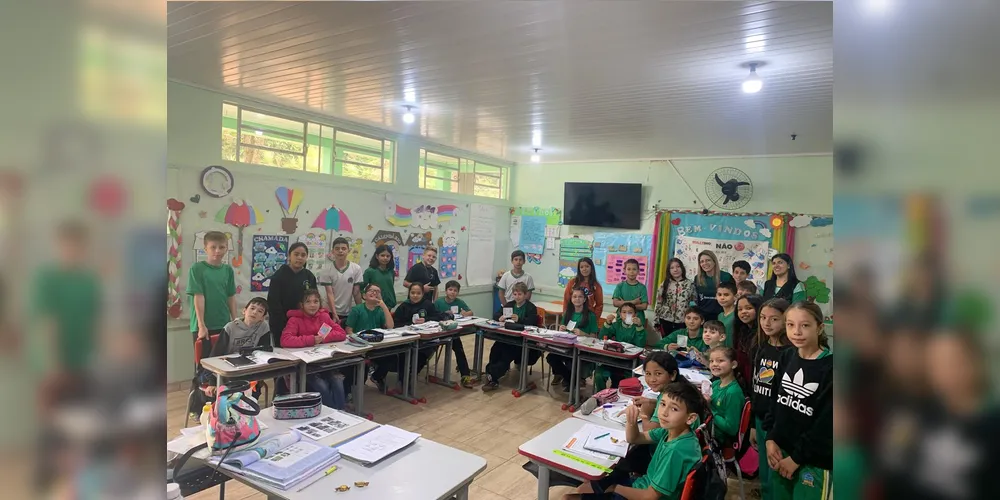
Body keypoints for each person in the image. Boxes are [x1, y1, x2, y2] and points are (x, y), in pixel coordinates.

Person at [567, 382, 704, 499]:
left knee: (569, 497)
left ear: (690, 418)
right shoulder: (672, 431)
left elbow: (650, 497)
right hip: (643, 484)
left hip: (644, 493)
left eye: (674, 408)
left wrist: (614, 488)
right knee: (589, 484)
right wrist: (631, 421)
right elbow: (636, 438)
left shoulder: (676, 450)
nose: (664, 412)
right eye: (662, 404)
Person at [762, 302, 832, 500]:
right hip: (782, 452)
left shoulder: (830, 368)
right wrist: (770, 437)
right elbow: (775, 401)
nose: (797, 332)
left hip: (812, 461)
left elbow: (826, 425)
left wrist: (796, 459)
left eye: (805, 325)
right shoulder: (787, 356)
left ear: (819, 328)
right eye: (791, 325)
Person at [189, 298, 271, 419]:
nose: (254, 312)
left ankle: (244, 413)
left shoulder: (263, 327)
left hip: (247, 367)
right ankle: (216, 412)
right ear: (244, 311)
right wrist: (212, 382)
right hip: (224, 367)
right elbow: (215, 356)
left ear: (263, 317)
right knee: (211, 383)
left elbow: (265, 349)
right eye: (252, 308)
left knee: (252, 386)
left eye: (260, 311)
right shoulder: (231, 327)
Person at [280, 289, 350, 410]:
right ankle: (333, 414)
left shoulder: (324, 316)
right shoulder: (294, 319)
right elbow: (285, 340)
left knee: (338, 382)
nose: (312, 305)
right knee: (321, 386)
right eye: (308, 302)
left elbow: (341, 333)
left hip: (324, 363)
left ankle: (340, 413)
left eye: (316, 301)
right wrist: (311, 340)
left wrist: (323, 338)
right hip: (306, 367)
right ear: (302, 305)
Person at [750, 298, 791, 500]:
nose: (767, 323)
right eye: (763, 318)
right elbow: (755, 387)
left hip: (777, 422)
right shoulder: (762, 347)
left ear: (786, 321)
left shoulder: (790, 353)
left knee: (776, 470)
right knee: (765, 469)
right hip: (759, 417)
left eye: (774, 319)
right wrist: (751, 424)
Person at [377, 283, 443, 390]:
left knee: (423, 354)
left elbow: (439, 316)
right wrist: (409, 324)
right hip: (406, 339)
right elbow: (395, 324)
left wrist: (425, 320)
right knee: (405, 353)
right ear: (409, 293)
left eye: (418, 293)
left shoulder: (428, 305)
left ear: (422, 294)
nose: (415, 295)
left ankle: (410, 377)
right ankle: (403, 381)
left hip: (424, 340)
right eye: (412, 293)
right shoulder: (404, 306)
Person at [483, 282, 540, 392]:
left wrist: (519, 319)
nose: (517, 297)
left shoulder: (530, 307)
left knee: (506, 355)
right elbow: (496, 314)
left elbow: (532, 322)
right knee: (495, 349)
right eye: (515, 294)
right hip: (506, 336)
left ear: (525, 295)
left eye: (520, 294)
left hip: (519, 340)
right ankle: (489, 373)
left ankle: (493, 377)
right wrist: (500, 317)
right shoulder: (509, 304)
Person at [188, 230, 237, 343]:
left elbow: (231, 296)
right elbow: (198, 297)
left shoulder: (228, 270)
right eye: (213, 247)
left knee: (223, 359)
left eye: (221, 247)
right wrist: (201, 326)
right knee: (203, 360)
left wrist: (234, 320)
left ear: (226, 248)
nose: (217, 251)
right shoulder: (197, 269)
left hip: (224, 324)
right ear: (205, 249)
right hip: (204, 326)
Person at [548, 288, 599, 392]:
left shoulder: (590, 315)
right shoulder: (568, 313)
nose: (577, 299)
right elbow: (563, 331)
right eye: (574, 296)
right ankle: (571, 379)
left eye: (580, 297)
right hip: (567, 346)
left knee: (572, 361)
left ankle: (573, 381)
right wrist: (561, 329)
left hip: (582, 348)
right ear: (571, 299)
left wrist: (583, 334)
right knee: (551, 357)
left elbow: (594, 336)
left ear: (585, 299)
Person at [267, 242, 318, 344]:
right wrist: (285, 322)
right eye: (296, 254)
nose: (299, 257)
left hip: (304, 322)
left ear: (307, 257)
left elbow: (315, 299)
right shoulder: (279, 276)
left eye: (303, 255)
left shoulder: (309, 276)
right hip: (282, 323)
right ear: (289, 256)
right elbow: (273, 303)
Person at [594, 302, 646, 390]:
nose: (627, 315)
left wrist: (639, 327)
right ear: (620, 314)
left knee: (628, 381)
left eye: (630, 312)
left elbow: (640, 345)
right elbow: (602, 338)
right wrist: (607, 323)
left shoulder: (638, 327)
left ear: (635, 314)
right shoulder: (616, 325)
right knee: (599, 374)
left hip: (629, 364)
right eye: (624, 312)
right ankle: (601, 396)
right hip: (612, 360)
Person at [434, 280, 475, 388]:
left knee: (459, 350)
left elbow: (471, 312)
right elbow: (432, 315)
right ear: (446, 291)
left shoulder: (459, 302)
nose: (452, 292)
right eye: (450, 290)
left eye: (455, 290)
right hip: (438, 333)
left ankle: (465, 375)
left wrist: (465, 313)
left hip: (453, 333)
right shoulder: (439, 302)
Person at [317, 237, 363, 324]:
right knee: (328, 335)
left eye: (343, 248)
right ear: (333, 251)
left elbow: (356, 292)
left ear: (348, 250)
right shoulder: (326, 269)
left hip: (348, 312)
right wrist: (334, 314)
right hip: (329, 312)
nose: (340, 251)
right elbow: (329, 293)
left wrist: (361, 311)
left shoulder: (356, 268)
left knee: (347, 336)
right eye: (337, 249)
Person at [706, 346, 745, 448]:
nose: (714, 364)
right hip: (708, 427)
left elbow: (731, 428)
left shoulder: (733, 393)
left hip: (718, 439)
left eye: (720, 361)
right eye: (711, 361)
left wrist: (710, 408)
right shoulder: (715, 383)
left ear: (733, 364)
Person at [654, 257, 695, 337]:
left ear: (682, 268)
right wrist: (656, 321)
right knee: (667, 345)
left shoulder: (690, 284)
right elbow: (658, 303)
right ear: (669, 271)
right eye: (672, 268)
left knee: (681, 345)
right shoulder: (664, 284)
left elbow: (694, 303)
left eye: (678, 266)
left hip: (683, 322)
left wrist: (691, 320)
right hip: (665, 320)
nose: (675, 269)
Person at [693, 250, 734, 318]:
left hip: (722, 315)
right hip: (703, 316)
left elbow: (733, 297)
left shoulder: (726, 277)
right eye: (702, 261)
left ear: (714, 262)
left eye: (708, 260)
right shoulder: (697, 278)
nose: (705, 263)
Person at [734, 294, 764, 383]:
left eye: (748, 308)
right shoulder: (741, 331)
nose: (743, 312)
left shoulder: (763, 334)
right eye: (740, 309)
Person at [612, 259, 649, 325]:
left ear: (638, 271)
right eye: (629, 269)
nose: (631, 272)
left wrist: (623, 304)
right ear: (624, 271)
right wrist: (633, 302)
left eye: (634, 269)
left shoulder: (642, 287)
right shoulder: (620, 286)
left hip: (637, 320)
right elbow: (615, 303)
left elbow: (644, 306)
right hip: (621, 320)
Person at [363, 244, 398, 310]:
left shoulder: (391, 272)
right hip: (375, 305)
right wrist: (368, 298)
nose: (385, 258)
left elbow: (390, 287)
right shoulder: (370, 271)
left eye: (388, 256)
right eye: (382, 255)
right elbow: (361, 288)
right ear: (377, 256)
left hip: (389, 305)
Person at [716, 281, 738, 347]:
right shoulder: (720, 315)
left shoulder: (737, 314)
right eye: (719, 294)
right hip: (722, 351)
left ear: (735, 296)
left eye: (726, 295)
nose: (722, 298)